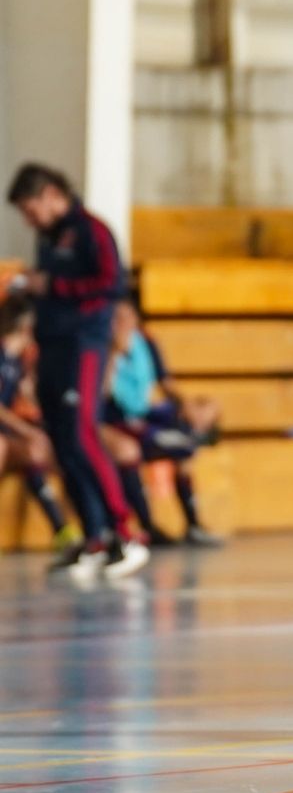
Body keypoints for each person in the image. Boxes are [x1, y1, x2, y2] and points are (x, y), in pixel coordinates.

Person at [6, 164, 147, 581]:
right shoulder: (48, 238)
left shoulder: (92, 231)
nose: (29, 220)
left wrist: (52, 287)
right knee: (63, 443)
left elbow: (110, 283)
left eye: (31, 209)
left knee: (84, 434)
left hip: (83, 344)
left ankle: (125, 530)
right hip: (51, 346)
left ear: (51, 194)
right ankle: (94, 538)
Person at [101, 299, 223, 547]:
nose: (123, 324)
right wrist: (114, 353)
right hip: (115, 420)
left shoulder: (145, 342)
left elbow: (164, 381)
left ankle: (193, 524)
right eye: (117, 318)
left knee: (190, 435)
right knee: (132, 450)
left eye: (127, 317)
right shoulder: (101, 346)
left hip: (143, 413)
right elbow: (100, 395)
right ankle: (147, 526)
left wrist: (187, 406)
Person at [0, 296, 79, 551]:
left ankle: (65, 529)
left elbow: (27, 401)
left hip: (7, 433)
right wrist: (26, 430)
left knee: (43, 452)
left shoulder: (17, 361)